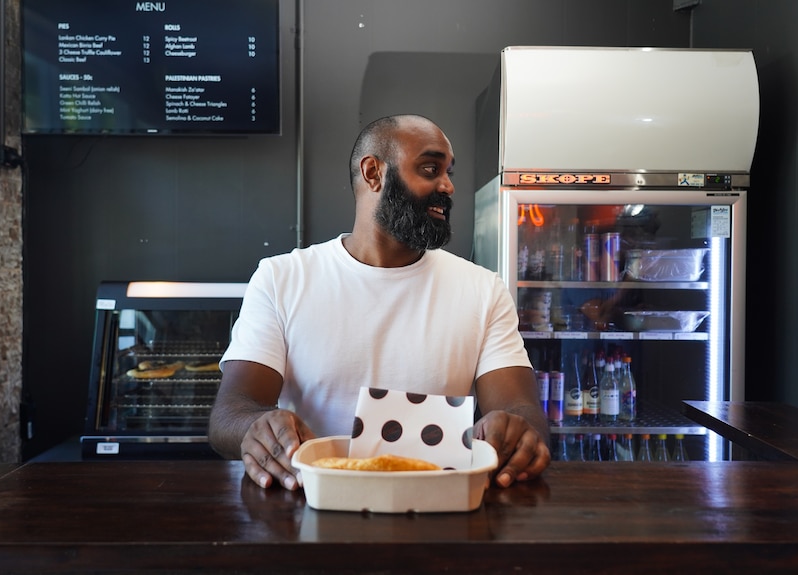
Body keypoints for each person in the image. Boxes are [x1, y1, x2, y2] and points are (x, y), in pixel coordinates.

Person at [208, 114, 551, 490]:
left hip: (440, 507)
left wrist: (518, 431)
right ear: (373, 172)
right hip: (311, 505)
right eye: (430, 168)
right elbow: (230, 413)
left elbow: (523, 411)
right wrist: (254, 428)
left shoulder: (483, 290)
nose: (448, 186)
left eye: (448, 172)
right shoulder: (281, 279)